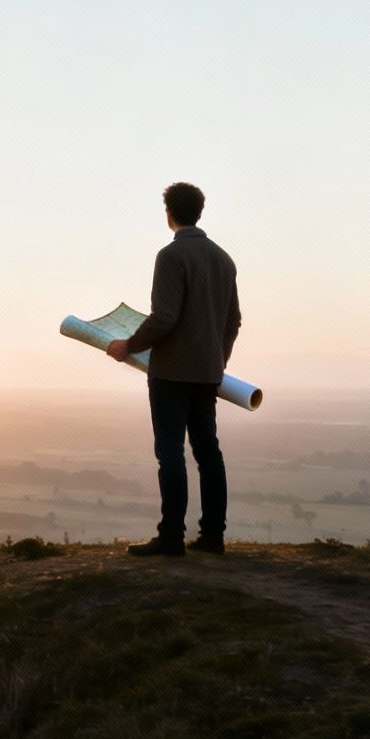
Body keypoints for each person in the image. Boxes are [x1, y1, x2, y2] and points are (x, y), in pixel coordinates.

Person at [106, 182, 241, 557]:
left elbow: (165, 317)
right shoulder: (224, 260)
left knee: (170, 454)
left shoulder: (171, 256)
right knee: (208, 453)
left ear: (169, 214)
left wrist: (127, 346)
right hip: (207, 373)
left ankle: (171, 537)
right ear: (199, 211)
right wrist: (219, 361)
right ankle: (213, 537)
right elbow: (234, 321)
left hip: (170, 374)